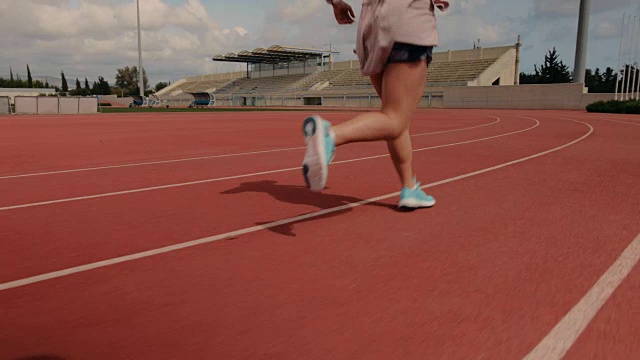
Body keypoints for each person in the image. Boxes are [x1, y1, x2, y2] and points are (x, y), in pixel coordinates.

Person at [302, 0, 449, 209]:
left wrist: (336, 2)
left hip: (371, 30)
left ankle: (410, 188)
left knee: (396, 118)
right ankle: (331, 135)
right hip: (407, 22)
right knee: (395, 118)